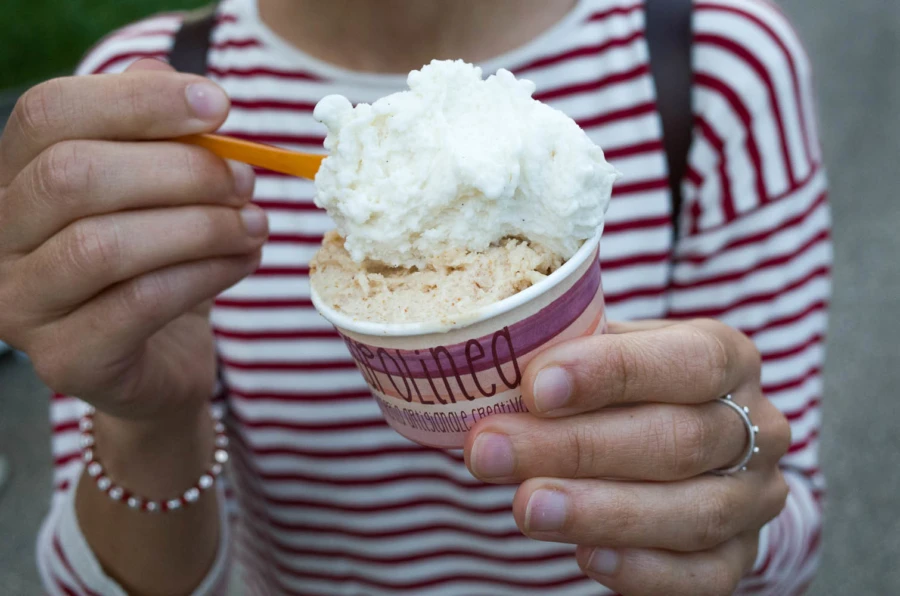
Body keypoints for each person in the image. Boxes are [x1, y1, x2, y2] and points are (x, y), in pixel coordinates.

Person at [0, 0, 830, 594]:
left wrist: (724, 499)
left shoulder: (716, 63)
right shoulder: (149, 111)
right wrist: (148, 421)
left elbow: (787, 526)